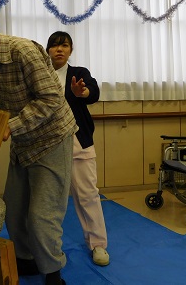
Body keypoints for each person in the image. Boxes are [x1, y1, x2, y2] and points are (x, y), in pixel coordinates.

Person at [0, 15, 78, 285]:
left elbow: (51, 97)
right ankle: (26, 259)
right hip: (24, 143)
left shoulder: (23, 51)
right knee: (13, 208)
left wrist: (12, 125)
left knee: (42, 215)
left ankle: (53, 271)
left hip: (52, 139)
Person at [46, 31, 110, 266]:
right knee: (49, 200)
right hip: (48, 144)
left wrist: (80, 92)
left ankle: (98, 245)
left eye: (64, 46)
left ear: (71, 50)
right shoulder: (40, 73)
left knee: (88, 195)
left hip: (77, 141)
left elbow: (92, 92)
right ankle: (49, 248)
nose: (59, 49)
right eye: (54, 46)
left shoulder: (78, 73)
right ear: (48, 50)